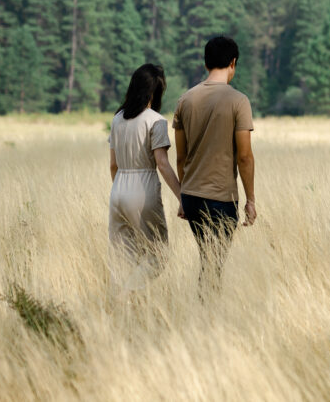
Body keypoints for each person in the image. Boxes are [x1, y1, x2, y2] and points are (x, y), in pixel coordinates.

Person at [173, 36, 255, 296]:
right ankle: (208, 316)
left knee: (208, 260)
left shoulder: (185, 100)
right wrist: (250, 199)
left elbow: (181, 157)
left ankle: (205, 312)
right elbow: (244, 156)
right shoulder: (239, 101)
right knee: (214, 264)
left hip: (193, 198)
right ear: (233, 63)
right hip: (221, 198)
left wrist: (182, 196)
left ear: (206, 62)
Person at [108, 64, 182, 290]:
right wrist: (182, 197)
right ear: (155, 92)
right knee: (158, 256)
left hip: (118, 189)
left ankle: (119, 305)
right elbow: (162, 163)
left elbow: (113, 165)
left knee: (124, 259)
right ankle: (124, 296)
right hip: (143, 189)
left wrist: (121, 186)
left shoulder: (117, 118)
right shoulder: (155, 120)